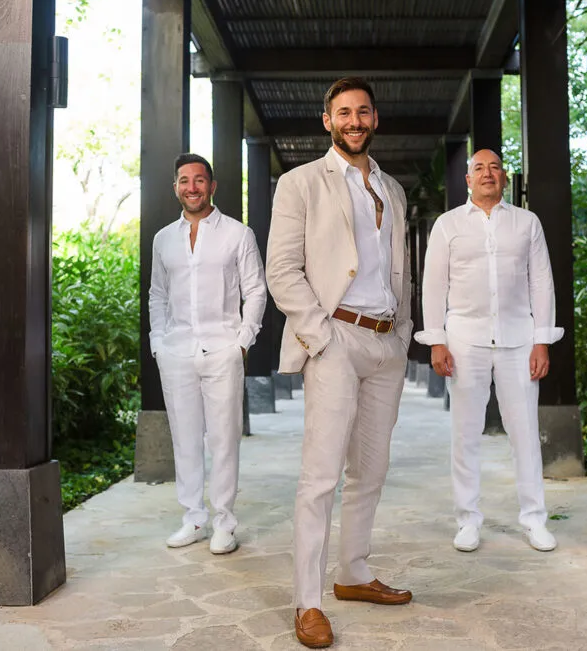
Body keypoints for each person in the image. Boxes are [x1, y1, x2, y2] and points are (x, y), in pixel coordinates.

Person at [266, 77, 414, 649]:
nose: (355, 121)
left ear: (375, 119)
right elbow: (282, 269)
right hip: (335, 338)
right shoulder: (301, 182)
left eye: (363, 111)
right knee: (321, 475)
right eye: (344, 112)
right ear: (327, 121)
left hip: (385, 342)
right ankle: (308, 601)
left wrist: (402, 333)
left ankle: (352, 572)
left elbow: (398, 269)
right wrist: (320, 337)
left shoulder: (392, 188)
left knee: (370, 470)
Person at [414, 148, 564, 554]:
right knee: (465, 434)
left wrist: (542, 341)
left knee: (525, 433)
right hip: (465, 341)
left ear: (504, 178)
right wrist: (437, 340)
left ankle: (534, 519)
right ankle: (467, 520)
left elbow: (542, 283)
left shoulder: (527, 223)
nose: (487, 173)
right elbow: (434, 285)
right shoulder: (447, 225)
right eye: (479, 168)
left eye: (494, 167)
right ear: (468, 180)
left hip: (519, 340)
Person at [148, 153, 267, 555]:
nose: (192, 187)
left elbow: (256, 290)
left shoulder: (238, 234)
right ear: (176, 188)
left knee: (224, 439)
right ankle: (193, 518)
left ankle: (224, 522)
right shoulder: (163, 239)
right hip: (176, 351)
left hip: (222, 349)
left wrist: (242, 342)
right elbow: (157, 294)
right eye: (184, 180)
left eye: (199, 180)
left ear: (212, 186)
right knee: (184, 439)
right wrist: (158, 342)